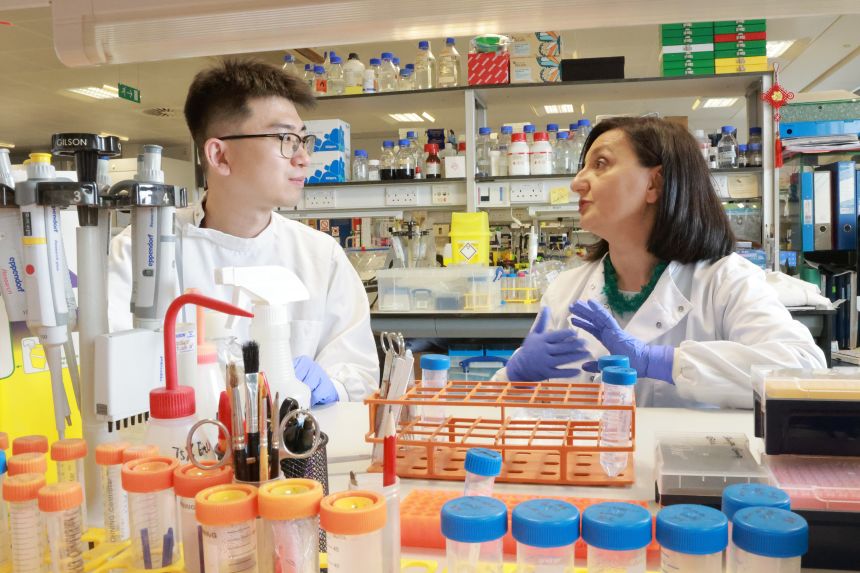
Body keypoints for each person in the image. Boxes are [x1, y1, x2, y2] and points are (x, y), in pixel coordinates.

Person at [500, 117, 826, 408]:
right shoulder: (566, 290)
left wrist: (662, 362)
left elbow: (804, 369)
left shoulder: (726, 280)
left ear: (654, 184)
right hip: (584, 457)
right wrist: (515, 376)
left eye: (600, 163)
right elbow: (507, 415)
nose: (577, 183)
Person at [108, 59, 379, 405]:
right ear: (219, 156)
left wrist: (332, 387)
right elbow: (115, 378)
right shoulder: (142, 252)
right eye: (285, 139)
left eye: (303, 140)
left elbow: (358, 372)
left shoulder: (320, 256)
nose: (303, 158)